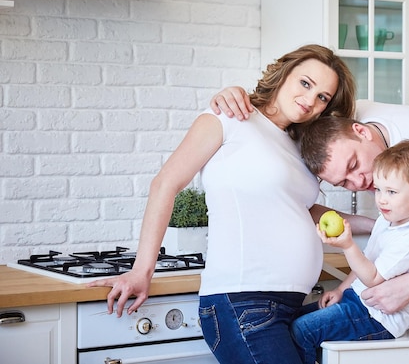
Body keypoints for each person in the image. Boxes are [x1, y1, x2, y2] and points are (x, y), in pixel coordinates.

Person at [87, 44, 366, 364]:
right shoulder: (231, 116)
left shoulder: (297, 145)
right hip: (243, 302)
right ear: (285, 73)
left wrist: (379, 222)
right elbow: (165, 184)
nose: (310, 100)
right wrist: (141, 270)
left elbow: (299, 210)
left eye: (323, 97)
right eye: (305, 83)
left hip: (290, 304)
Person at [210, 92, 409, 364]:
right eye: (344, 183)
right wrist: (238, 96)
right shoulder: (334, 127)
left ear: (361, 131)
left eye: (354, 166)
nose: (359, 182)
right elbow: (281, 110)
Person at [291, 140, 409, 364]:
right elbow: (368, 260)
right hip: (358, 300)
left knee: (303, 330)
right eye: (379, 189)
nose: (381, 199)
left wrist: (348, 245)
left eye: (391, 191)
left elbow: (372, 277)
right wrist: (341, 289)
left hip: (379, 318)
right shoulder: (388, 220)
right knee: (292, 319)